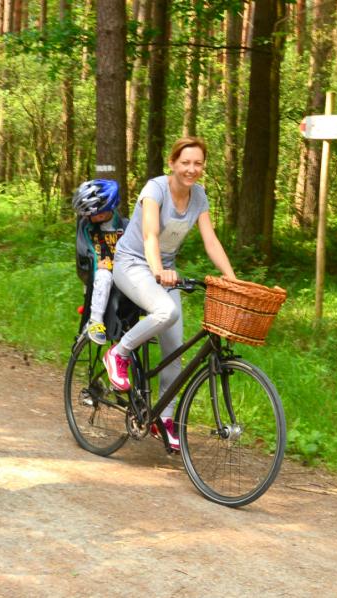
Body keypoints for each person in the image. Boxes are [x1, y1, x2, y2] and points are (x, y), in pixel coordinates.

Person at [104, 136, 237, 451]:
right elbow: (150, 236)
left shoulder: (199, 196)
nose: (192, 169)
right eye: (185, 162)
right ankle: (119, 353)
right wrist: (157, 271)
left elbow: (211, 240)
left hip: (165, 270)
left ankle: (163, 418)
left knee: (174, 349)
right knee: (167, 311)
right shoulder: (155, 190)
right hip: (132, 263)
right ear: (173, 163)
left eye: (198, 163)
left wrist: (232, 278)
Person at [73, 179, 127, 345]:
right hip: (97, 274)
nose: (86, 217)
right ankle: (95, 322)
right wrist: (97, 264)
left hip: (123, 272)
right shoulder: (86, 227)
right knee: (104, 275)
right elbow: (83, 253)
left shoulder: (124, 225)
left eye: (90, 213)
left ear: (103, 212)